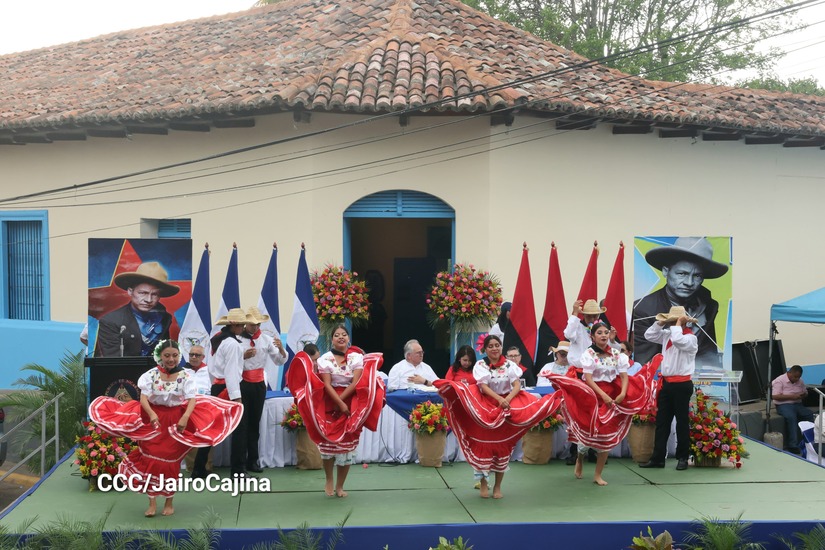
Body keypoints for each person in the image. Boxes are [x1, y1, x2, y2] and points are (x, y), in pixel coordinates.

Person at [89, 340, 242, 517]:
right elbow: (144, 398)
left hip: (176, 421)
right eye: (167, 355)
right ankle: (152, 501)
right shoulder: (151, 375)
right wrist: (152, 414)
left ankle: (169, 501)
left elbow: (191, 398)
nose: (171, 359)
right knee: (151, 460)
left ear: (179, 356)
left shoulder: (185, 376)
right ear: (160, 356)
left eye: (174, 355)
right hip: (153, 421)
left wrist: (185, 417)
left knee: (170, 462)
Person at [434, 334, 562, 499]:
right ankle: (484, 484)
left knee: (503, 446)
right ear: (485, 349)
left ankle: (498, 486)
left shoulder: (510, 364)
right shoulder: (480, 365)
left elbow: (516, 385)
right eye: (491, 346)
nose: (494, 348)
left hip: (507, 404)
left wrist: (507, 399)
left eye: (497, 345)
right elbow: (483, 386)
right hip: (486, 406)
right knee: (484, 445)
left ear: (501, 347)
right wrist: (499, 399)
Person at [549, 323, 655, 485]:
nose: (604, 335)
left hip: (612, 396)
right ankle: (580, 459)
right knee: (587, 437)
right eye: (599, 333)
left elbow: (624, 376)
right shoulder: (589, 354)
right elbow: (589, 379)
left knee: (606, 436)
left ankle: (598, 475)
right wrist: (603, 396)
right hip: (592, 396)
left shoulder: (616, 354)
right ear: (593, 337)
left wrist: (622, 393)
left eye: (606, 332)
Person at [286, 324, 385, 498]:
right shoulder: (325, 358)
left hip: (352, 401)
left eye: (344, 334)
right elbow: (326, 384)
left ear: (348, 338)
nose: (341, 337)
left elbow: (355, 382)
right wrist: (339, 403)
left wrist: (345, 404)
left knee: (348, 445)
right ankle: (329, 480)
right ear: (331, 339)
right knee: (328, 445)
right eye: (337, 335)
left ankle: (340, 486)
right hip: (331, 401)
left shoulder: (356, 357)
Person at [633, 237, 728, 368]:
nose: (689, 283)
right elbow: (644, 362)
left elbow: (707, 352)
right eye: (682, 273)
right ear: (666, 271)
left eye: (697, 276)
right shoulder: (643, 309)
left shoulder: (708, 305)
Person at [191, 307, 250, 479]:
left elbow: (210, 367)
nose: (243, 328)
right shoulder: (232, 344)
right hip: (229, 389)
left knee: (210, 428)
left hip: (217, 387)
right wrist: (237, 398)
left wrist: (213, 386)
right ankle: (238, 471)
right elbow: (231, 372)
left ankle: (198, 468)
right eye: (242, 324)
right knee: (240, 430)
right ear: (235, 325)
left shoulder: (216, 339)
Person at [639, 307, 698, 471]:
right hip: (666, 383)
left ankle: (683, 457)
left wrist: (679, 323)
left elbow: (679, 340)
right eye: (671, 320)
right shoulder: (668, 335)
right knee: (662, 422)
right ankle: (658, 458)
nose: (671, 323)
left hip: (682, 384)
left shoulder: (690, 338)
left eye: (674, 320)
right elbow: (649, 335)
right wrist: (661, 322)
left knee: (681, 422)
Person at [237, 306, 287, 473]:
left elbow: (279, 361)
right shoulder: (236, 339)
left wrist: (280, 349)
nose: (255, 327)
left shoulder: (266, 339)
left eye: (258, 324)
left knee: (254, 424)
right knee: (242, 425)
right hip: (242, 383)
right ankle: (240, 463)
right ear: (245, 324)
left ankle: (253, 460)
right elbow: (225, 363)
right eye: (252, 324)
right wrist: (242, 357)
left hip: (258, 384)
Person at [95, 261, 180, 357]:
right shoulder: (111, 321)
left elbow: (164, 356)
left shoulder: (164, 318)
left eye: (154, 294)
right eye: (143, 293)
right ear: (130, 292)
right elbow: (114, 362)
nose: (148, 300)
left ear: (160, 296)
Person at [183, 344, 212, 474]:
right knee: (190, 437)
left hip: (205, 407)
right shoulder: (182, 372)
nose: (194, 357)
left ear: (203, 357)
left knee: (206, 437)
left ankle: (207, 466)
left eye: (197, 355)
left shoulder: (209, 371)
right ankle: (191, 467)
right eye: (191, 355)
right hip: (187, 408)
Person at [771, 365, 813, 454]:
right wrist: (792, 396)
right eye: (795, 377)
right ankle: (792, 445)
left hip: (798, 404)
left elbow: (806, 392)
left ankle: (810, 441)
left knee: (809, 414)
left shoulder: (800, 381)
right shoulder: (779, 380)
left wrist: (803, 395)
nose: (797, 379)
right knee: (791, 417)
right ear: (789, 373)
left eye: (799, 377)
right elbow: (775, 396)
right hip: (783, 405)